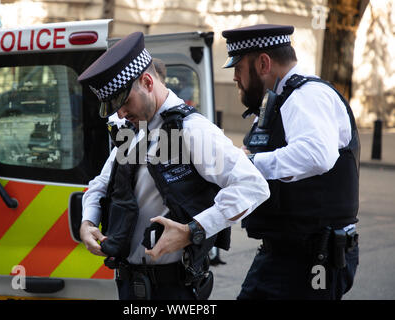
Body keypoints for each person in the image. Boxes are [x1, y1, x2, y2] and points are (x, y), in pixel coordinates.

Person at [77, 31, 270, 300]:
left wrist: (194, 231)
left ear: (146, 82)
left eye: (123, 103)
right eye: (112, 106)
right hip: (130, 284)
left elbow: (253, 186)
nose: (119, 114)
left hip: (172, 289)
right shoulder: (132, 129)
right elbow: (102, 184)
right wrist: (88, 221)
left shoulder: (192, 130)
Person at [221, 24, 360, 300]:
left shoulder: (308, 95)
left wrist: (252, 163)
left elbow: (316, 155)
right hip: (285, 252)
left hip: (313, 258)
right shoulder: (280, 100)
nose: (235, 77)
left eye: (238, 68)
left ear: (263, 63)